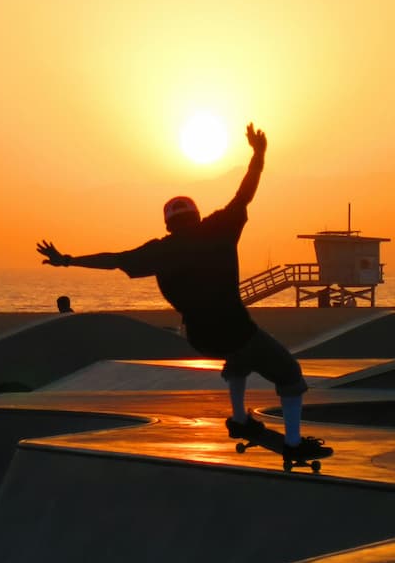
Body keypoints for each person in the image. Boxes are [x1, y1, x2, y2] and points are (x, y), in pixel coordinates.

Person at [36, 123, 331, 463]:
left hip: (199, 337)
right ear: (197, 215)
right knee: (289, 375)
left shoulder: (159, 250)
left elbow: (114, 260)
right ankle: (293, 444)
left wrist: (67, 260)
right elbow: (245, 192)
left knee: (237, 359)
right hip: (236, 330)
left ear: (168, 224)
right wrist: (259, 154)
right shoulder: (220, 227)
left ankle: (239, 419)